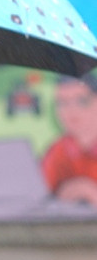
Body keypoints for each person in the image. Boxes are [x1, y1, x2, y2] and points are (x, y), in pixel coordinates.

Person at [42, 73, 97, 206]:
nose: (71, 110)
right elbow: (40, 198)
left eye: (81, 101)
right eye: (62, 103)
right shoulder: (58, 150)